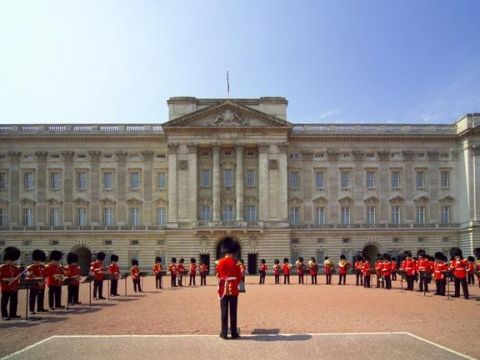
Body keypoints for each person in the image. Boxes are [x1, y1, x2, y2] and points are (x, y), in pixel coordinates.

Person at [216, 237, 242, 340]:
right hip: (233, 289)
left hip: (223, 289)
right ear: (233, 251)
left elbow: (217, 275)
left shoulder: (219, 262)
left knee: (224, 311)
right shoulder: (236, 262)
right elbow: (239, 277)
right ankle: (234, 333)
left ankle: (224, 333)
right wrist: (234, 283)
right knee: (233, 312)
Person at [0, 247, 22, 320]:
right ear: (6, 259)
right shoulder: (2, 267)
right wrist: (8, 279)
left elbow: (17, 276)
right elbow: (1, 277)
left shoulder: (15, 268)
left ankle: (13, 314)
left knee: (14, 302)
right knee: (4, 303)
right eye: (10, 260)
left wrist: (18, 276)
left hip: (14, 287)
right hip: (6, 287)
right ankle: (4, 315)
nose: (12, 261)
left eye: (13, 260)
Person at [26, 249, 48, 314]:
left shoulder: (42, 267)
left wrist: (44, 281)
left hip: (41, 285)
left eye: (39, 260)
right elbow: (29, 276)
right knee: (32, 298)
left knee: (41, 297)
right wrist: (37, 281)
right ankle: (31, 310)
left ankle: (40, 308)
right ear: (34, 260)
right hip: (34, 285)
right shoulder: (30, 267)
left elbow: (45, 275)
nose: (38, 262)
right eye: (36, 260)